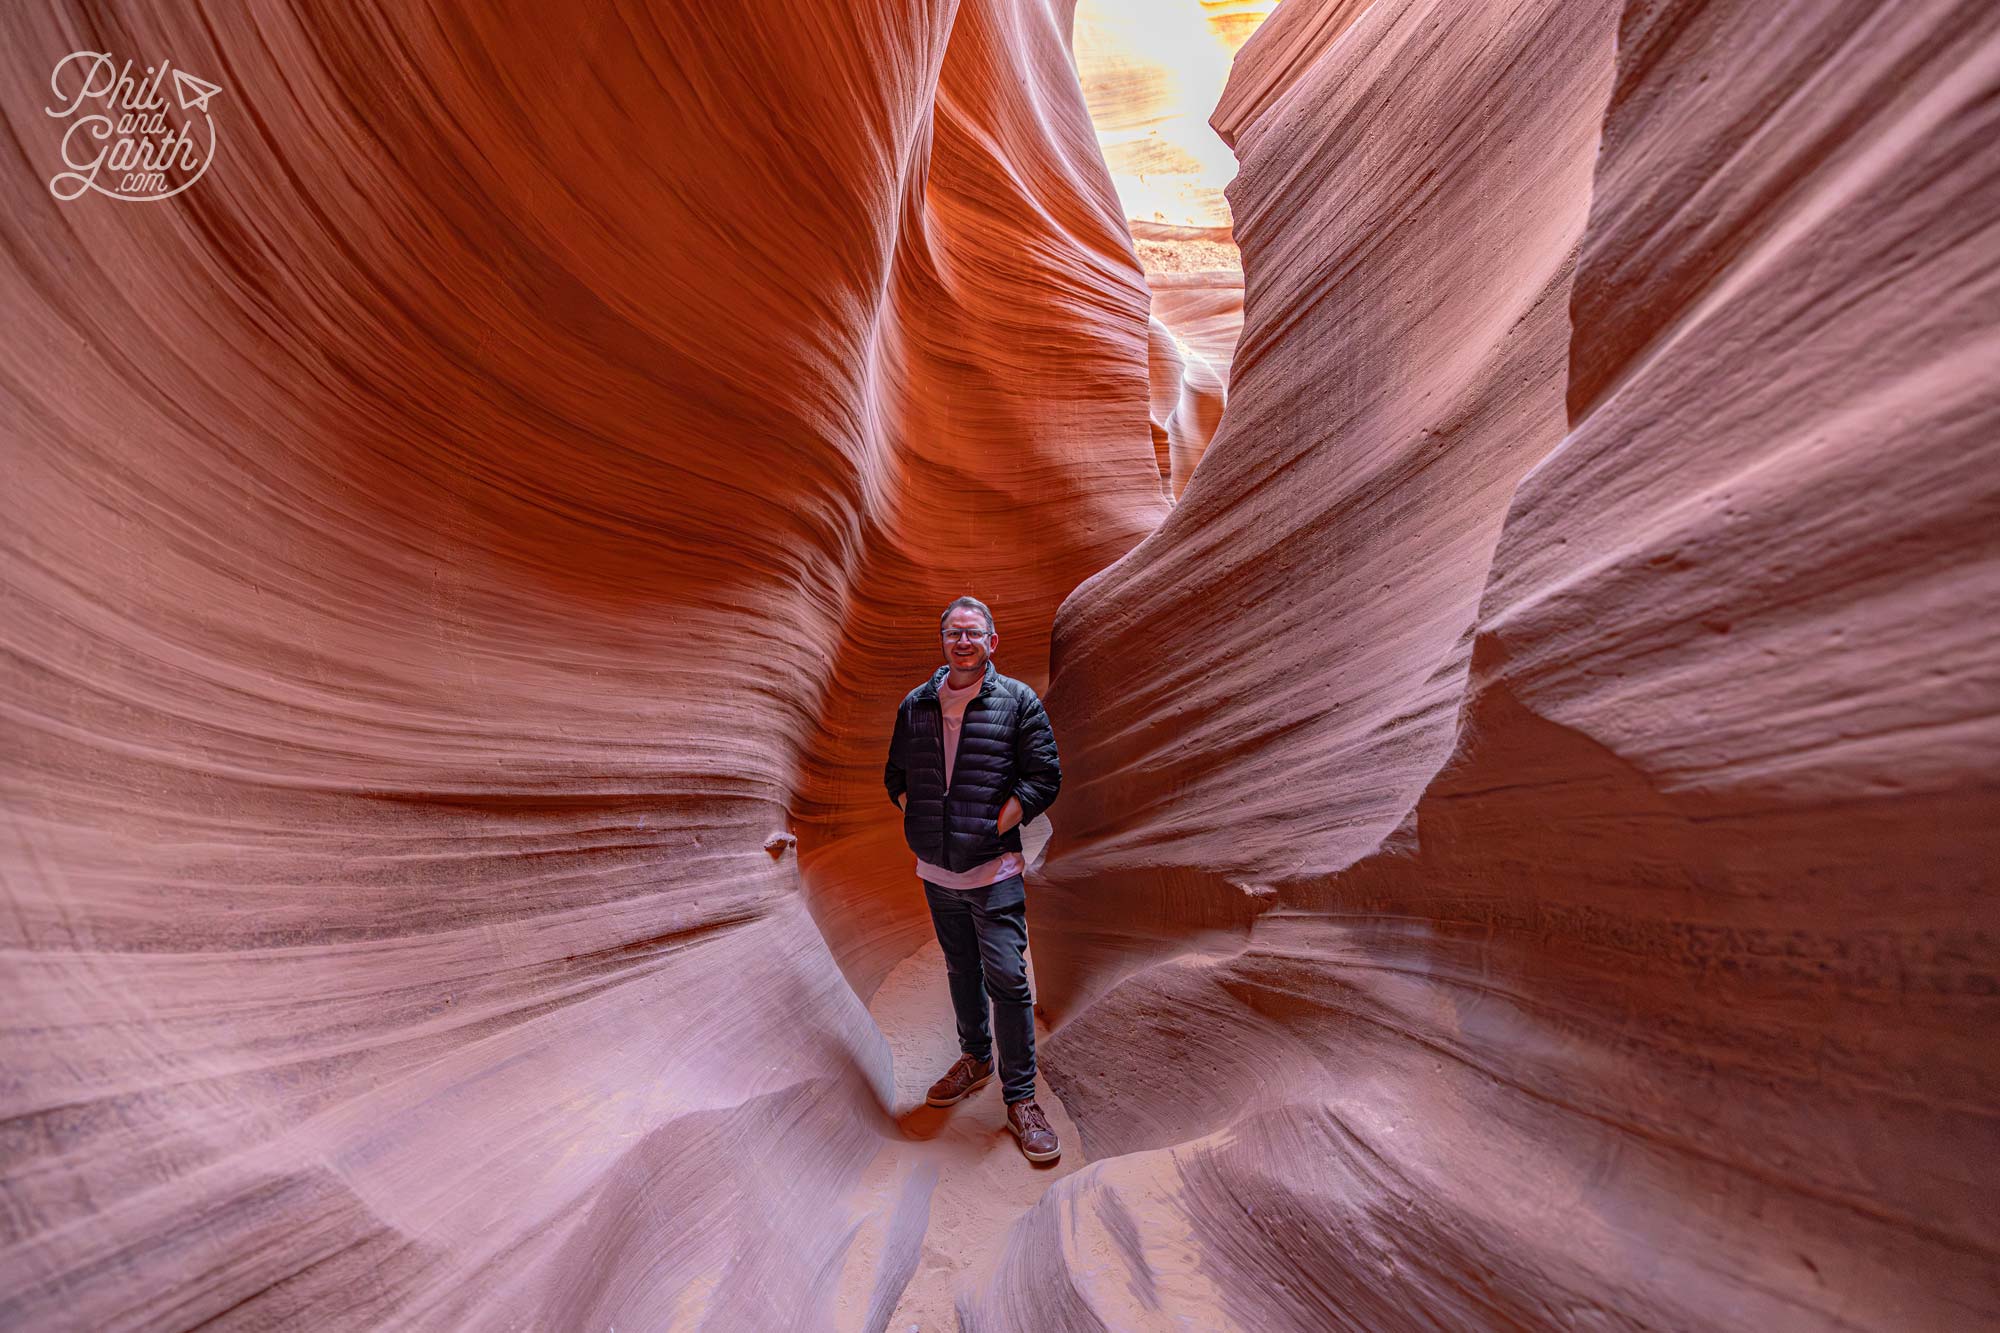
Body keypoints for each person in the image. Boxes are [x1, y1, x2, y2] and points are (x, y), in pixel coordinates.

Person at [883, 596, 1063, 1161]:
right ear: (944, 641)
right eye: (954, 634)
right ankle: (975, 1059)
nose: (963, 642)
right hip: (936, 871)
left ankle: (1021, 1097)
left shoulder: (1018, 701)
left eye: (973, 634)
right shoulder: (916, 705)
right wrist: (923, 820)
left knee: (1007, 976)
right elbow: (895, 774)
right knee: (960, 967)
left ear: (992, 641)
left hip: (995, 869)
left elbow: (1044, 776)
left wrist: (997, 823)